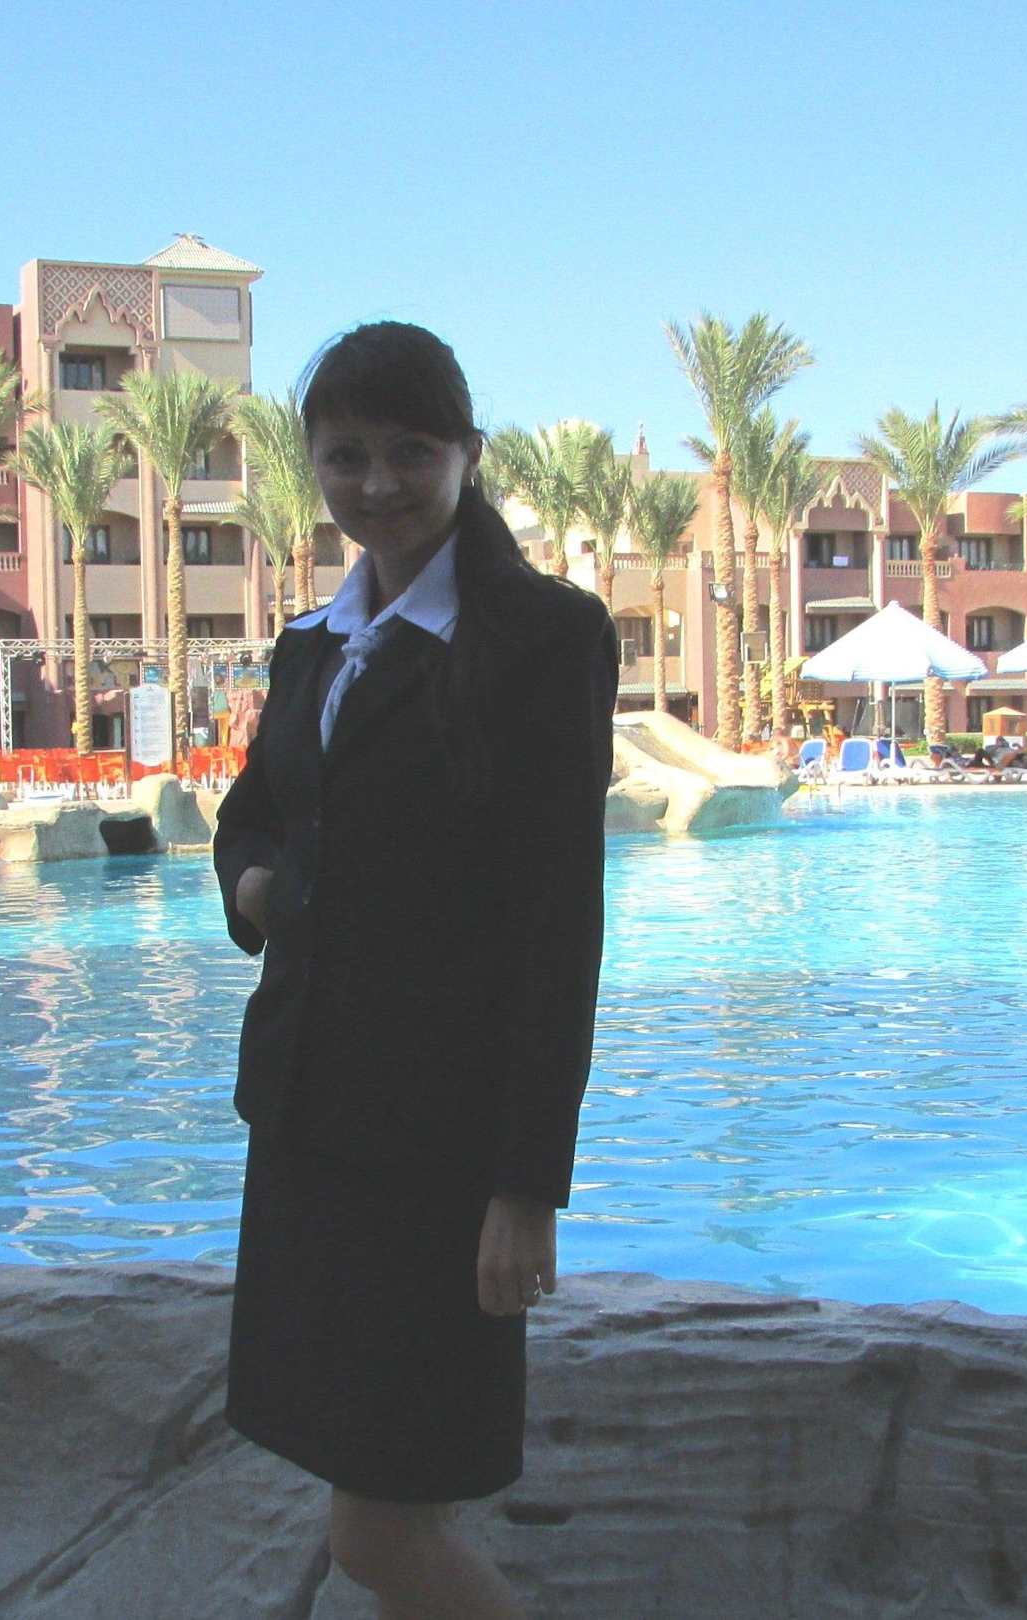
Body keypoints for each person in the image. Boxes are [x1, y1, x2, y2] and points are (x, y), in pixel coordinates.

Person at [212, 321, 619, 1617]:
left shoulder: (545, 637)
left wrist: (526, 1187)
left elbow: (557, 923)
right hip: (305, 1126)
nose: (376, 484)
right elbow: (250, 817)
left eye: (409, 453)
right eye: (345, 457)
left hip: (437, 1152)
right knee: (378, 1501)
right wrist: (256, 888)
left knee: (378, 1534)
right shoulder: (311, 645)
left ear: (466, 455)